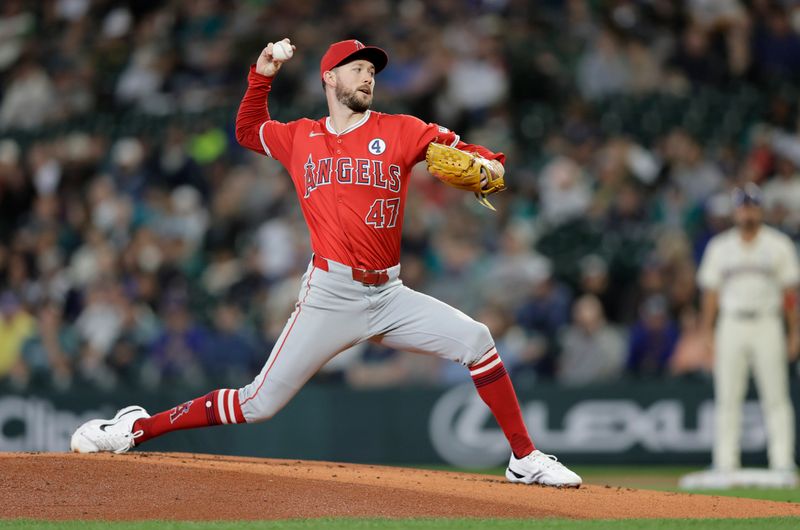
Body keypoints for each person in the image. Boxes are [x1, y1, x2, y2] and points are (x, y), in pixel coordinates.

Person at [70, 38, 581, 487]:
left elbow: (469, 153)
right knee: (257, 404)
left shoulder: (401, 129)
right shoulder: (300, 138)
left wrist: (491, 164)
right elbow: (249, 130)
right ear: (329, 78)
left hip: (388, 294)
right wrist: (262, 74)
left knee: (477, 341)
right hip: (330, 296)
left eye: (373, 71)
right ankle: (133, 428)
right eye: (358, 68)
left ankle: (525, 458)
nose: (368, 77)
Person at [698, 183, 799, 474]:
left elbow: (790, 294)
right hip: (731, 323)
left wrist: (794, 332)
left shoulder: (778, 244)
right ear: (735, 211)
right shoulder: (720, 246)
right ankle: (725, 461)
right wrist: (707, 331)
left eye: (752, 205)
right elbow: (710, 294)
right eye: (742, 206)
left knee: (776, 396)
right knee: (727, 396)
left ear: (760, 209)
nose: (747, 211)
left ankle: (782, 461)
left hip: (768, 322)